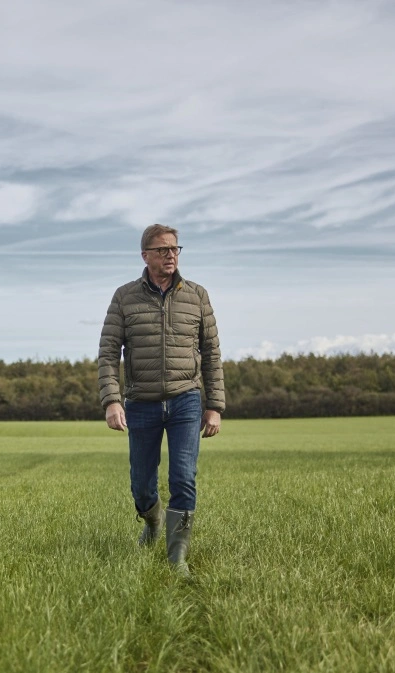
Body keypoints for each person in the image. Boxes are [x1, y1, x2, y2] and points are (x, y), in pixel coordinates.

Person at [97, 223, 224, 576]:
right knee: (141, 485)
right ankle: (151, 521)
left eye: (175, 249)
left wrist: (214, 406)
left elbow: (211, 353)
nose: (171, 255)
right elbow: (108, 353)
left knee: (184, 477)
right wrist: (112, 400)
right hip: (141, 402)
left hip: (186, 400)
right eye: (163, 249)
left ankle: (177, 556)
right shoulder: (124, 297)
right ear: (145, 256)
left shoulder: (197, 295)